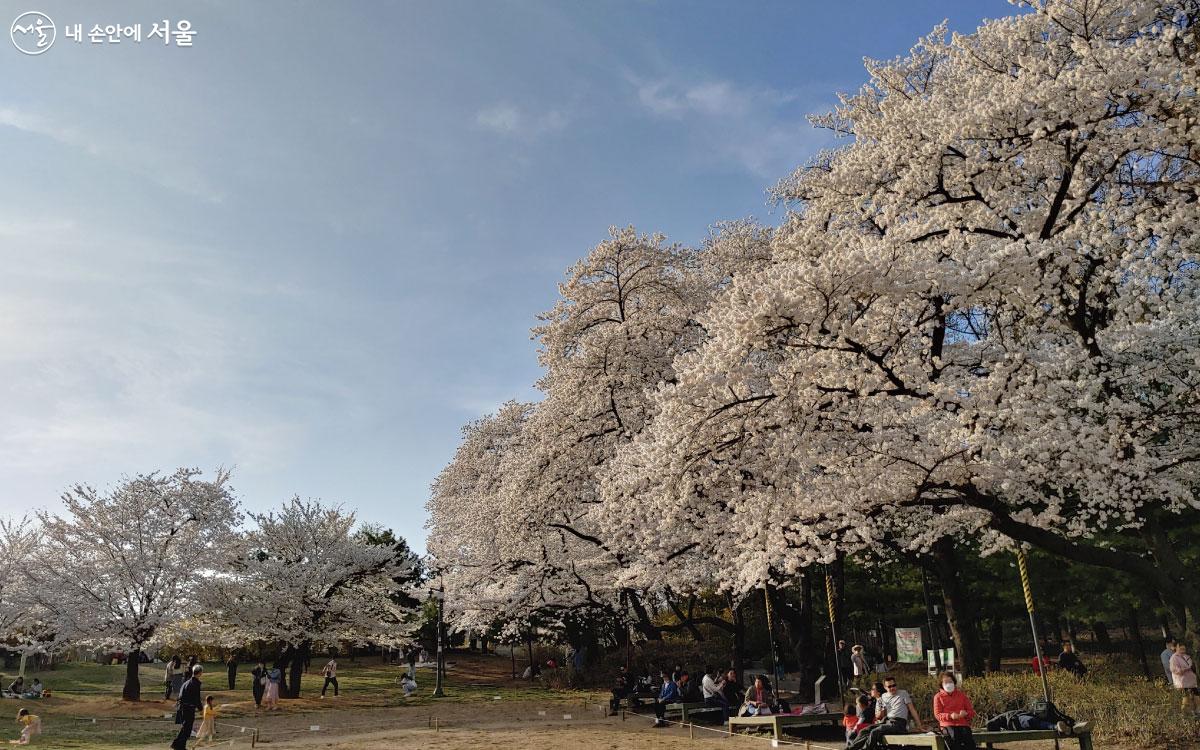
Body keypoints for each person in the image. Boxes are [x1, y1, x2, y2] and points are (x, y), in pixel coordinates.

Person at [859, 677, 923, 747]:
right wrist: (880, 704)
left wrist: (919, 725)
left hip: (899, 723)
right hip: (887, 722)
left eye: (894, 685)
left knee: (875, 732)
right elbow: (880, 716)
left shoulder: (903, 693)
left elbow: (912, 709)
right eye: (889, 686)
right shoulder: (883, 696)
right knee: (864, 731)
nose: (892, 688)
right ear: (885, 687)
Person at [933, 671, 976, 750]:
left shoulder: (962, 695)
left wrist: (966, 713)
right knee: (953, 736)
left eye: (950, 681)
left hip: (962, 724)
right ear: (941, 684)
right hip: (947, 725)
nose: (948, 684)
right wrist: (950, 716)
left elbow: (972, 712)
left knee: (968, 738)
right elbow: (938, 714)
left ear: (954, 682)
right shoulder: (938, 697)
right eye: (946, 682)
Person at [171, 665, 203, 750]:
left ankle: (179, 745)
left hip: (183, 707)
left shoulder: (186, 682)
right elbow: (196, 698)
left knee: (185, 727)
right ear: (200, 673)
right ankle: (178, 745)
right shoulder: (195, 683)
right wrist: (201, 709)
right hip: (188, 707)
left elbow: (180, 695)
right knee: (187, 728)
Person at [1169, 641, 1198, 717]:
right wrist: (1183, 669)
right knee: (1186, 697)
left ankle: (1196, 711)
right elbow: (1173, 669)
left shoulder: (1186, 656)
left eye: (1183, 646)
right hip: (1182, 681)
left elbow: (1191, 665)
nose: (1182, 648)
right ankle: (1184, 713)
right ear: (1176, 648)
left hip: (1191, 680)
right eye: (1180, 646)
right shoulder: (1174, 658)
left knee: (1196, 695)